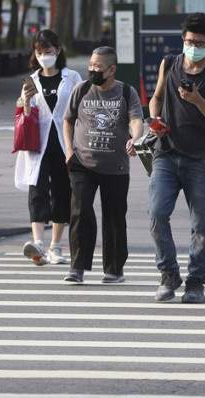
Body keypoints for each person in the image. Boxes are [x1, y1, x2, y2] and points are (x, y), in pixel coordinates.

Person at [148, 12, 205, 304]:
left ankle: (196, 281)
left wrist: (197, 100)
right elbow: (156, 97)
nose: (192, 45)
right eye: (189, 40)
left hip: (201, 159)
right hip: (166, 153)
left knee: (200, 224)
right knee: (156, 213)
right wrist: (154, 119)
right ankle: (169, 273)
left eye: (199, 42)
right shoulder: (169, 63)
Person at [62, 46, 144, 284]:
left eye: (98, 67)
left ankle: (114, 269)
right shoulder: (82, 89)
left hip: (115, 166)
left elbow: (136, 120)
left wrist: (135, 138)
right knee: (80, 212)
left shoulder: (126, 92)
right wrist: (69, 151)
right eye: (90, 65)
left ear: (112, 69)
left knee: (114, 218)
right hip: (82, 163)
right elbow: (68, 121)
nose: (93, 70)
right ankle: (77, 267)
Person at [14, 30, 82, 265]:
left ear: (58, 50)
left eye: (48, 51)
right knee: (37, 193)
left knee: (62, 193)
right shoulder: (31, 80)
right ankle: (38, 245)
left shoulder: (71, 77)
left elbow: (80, 108)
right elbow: (24, 113)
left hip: (64, 145)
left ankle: (56, 246)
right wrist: (27, 99)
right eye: (39, 52)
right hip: (37, 146)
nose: (44, 56)